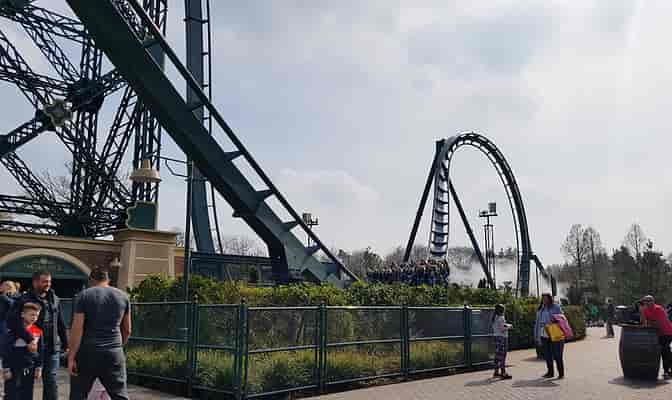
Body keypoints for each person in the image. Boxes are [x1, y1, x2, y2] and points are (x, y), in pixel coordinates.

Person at [68, 267, 131, 400]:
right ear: (108, 279)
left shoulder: (84, 295)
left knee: (78, 395)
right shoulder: (123, 296)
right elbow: (127, 330)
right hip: (113, 352)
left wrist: (71, 357)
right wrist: (118, 347)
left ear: (91, 280)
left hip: (87, 353)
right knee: (119, 395)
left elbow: (77, 329)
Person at [8, 271, 69, 400]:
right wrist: (29, 339)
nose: (48, 284)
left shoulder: (54, 298)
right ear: (35, 282)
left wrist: (66, 343)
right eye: (44, 281)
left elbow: (60, 323)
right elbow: (13, 322)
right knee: (25, 382)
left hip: (51, 347)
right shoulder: (23, 300)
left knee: (51, 380)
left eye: (49, 281)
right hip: (29, 348)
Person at [3, 302, 44, 400]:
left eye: (36, 315)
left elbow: (41, 349)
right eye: (31, 315)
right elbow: (6, 350)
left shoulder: (38, 331)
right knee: (12, 393)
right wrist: (6, 368)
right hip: (14, 368)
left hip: (30, 367)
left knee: (27, 393)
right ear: (22, 314)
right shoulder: (14, 331)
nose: (34, 318)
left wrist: (39, 367)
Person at [639, 295, 672, 379]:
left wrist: (649, 322)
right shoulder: (645, 310)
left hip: (666, 332)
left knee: (665, 351)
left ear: (653, 301)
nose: (646, 303)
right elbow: (643, 322)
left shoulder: (658, 309)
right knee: (662, 351)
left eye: (648, 301)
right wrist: (642, 312)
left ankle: (667, 371)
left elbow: (658, 324)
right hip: (657, 333)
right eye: (645, 301)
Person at [535, 293, 565, 379]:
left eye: (546, 298)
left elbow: (562, 318)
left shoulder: (556, 307)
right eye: (543, 299)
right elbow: (537, 323)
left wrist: (554, 320)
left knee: (557, 355)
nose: (544, 300)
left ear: (549, 299)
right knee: (547, 355)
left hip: (555, 333)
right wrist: (536, 336)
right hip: (544, 334)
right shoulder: (540, 309)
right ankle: (550, 372)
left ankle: (561, 373)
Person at [491, 304, 513, 379]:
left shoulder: (494, 317)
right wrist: (510, 326)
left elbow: (500, 326)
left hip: (496, 337)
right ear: (502, 310)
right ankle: (503, 373)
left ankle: (496, 372)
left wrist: (506, 325)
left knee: (497, 355)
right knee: (503, 355)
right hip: (502, 338)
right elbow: (502, 328)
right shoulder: (501, 317)